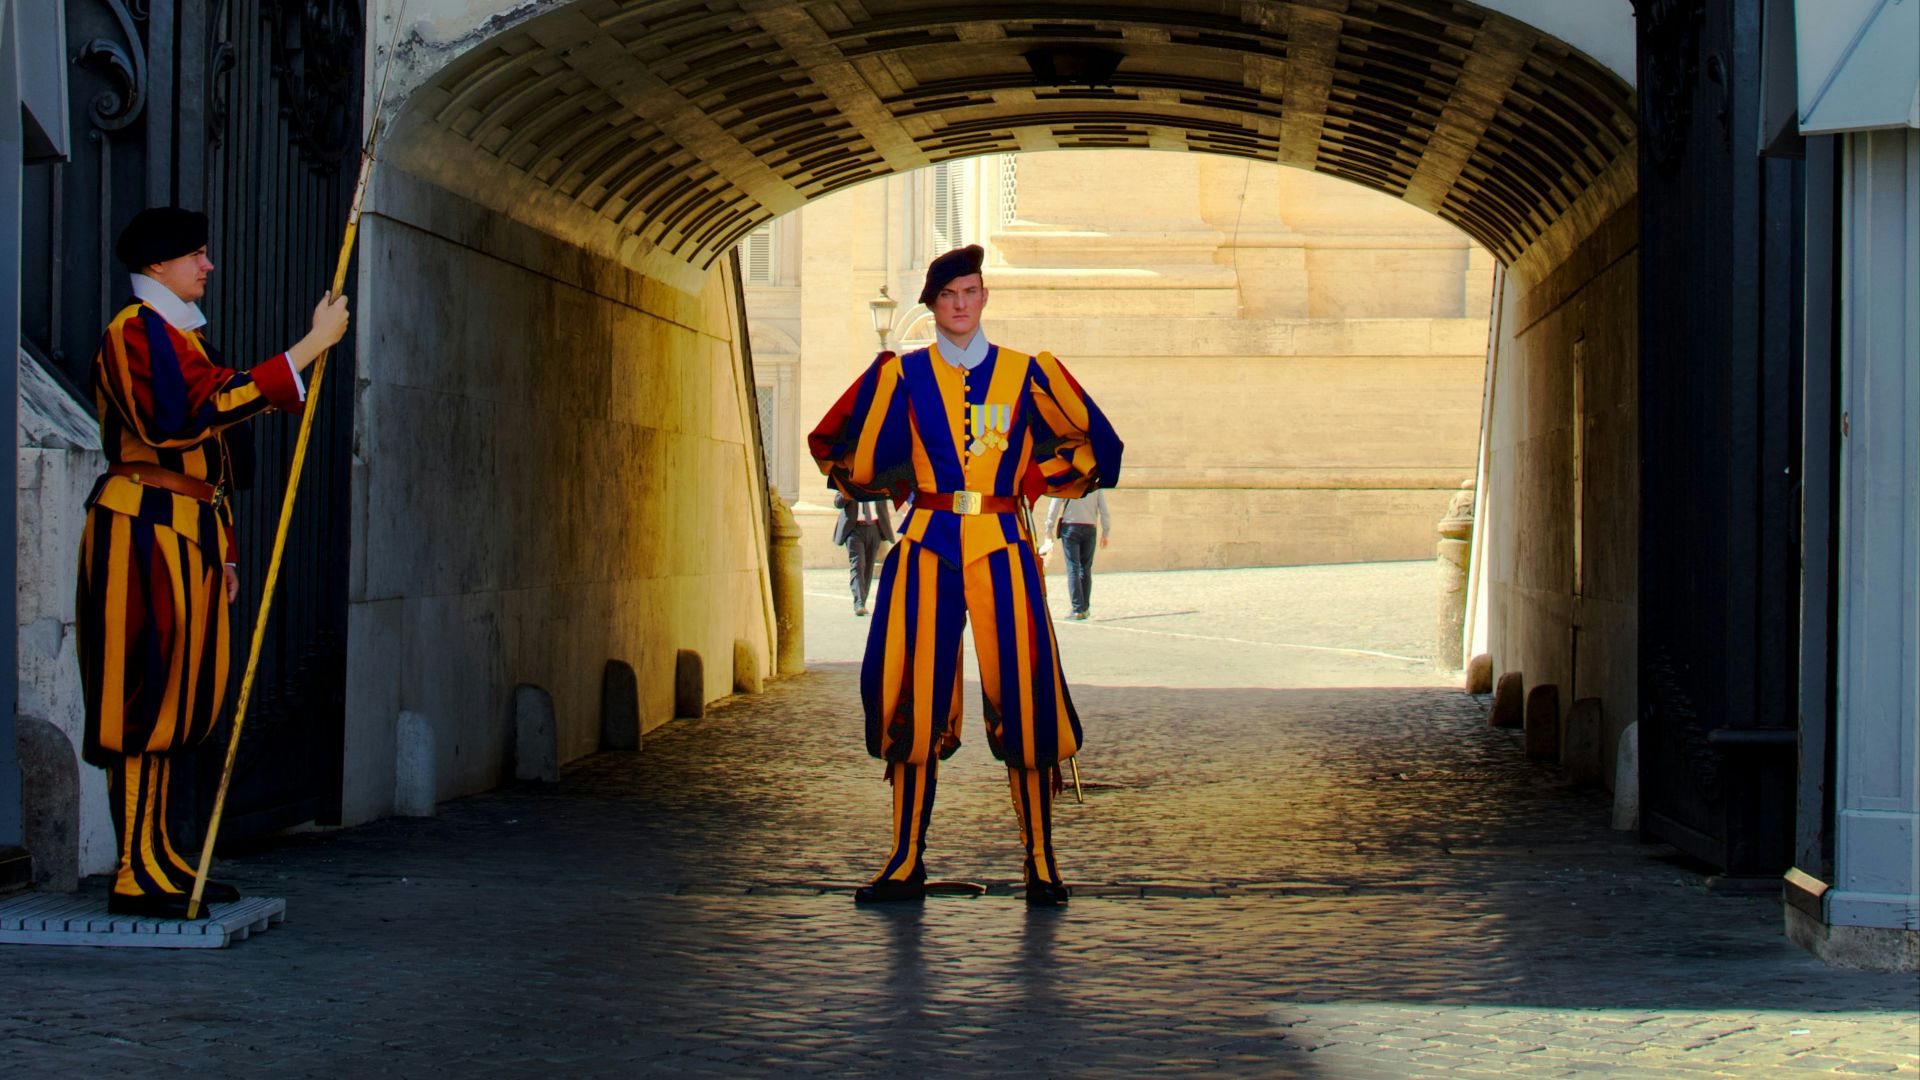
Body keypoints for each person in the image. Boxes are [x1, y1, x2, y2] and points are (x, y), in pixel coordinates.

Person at [808, 245, 1122, 908]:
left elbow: (1086, 445)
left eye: (972, 291)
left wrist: (1049, 484)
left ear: (983, 299)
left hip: (1003, 543)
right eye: (950, 294)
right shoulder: (904, 375)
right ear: (934, 304)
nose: (961, 304)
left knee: (1028, 696)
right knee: (912, 697)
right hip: (927, 544)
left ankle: (1041, 860)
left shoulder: (1026, 373)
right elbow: (851, 450)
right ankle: (903, 859)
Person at [75, 207, 349, 919]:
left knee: (182, 699)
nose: (208, 265)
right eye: (195, 255)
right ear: (159, 267)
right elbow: (183, 419)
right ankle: (135, 869)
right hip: (143, 528)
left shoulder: (176, 337)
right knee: (144, 698)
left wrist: (222, 550)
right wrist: (305, 350)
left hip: (185, 531)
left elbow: (211, 463)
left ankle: (159, 854)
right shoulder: (135, 332)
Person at [1038, 490, 1111, 620]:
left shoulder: (1068, 483)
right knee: (1086, 569)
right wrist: (1105, 532)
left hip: (1070, 527)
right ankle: (1085, 608)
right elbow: (1104, 509)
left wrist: (1048, 528)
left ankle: (1077, 609)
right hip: (1090, 528)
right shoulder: (1095, 485)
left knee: (1073, 568)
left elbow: (1054, 505)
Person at [833, 491, 894, 616]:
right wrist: (847, 491)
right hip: (854, 530)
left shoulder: (876, 482)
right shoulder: (847, 481)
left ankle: (862, 602)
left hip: (874, 529)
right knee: (858, 565)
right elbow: (838, 503)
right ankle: (859, 603)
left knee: (868, 566)